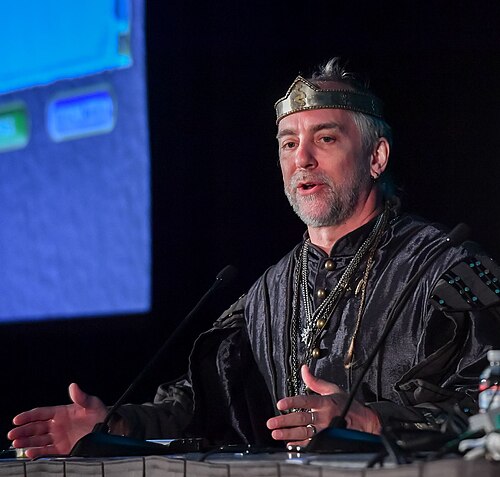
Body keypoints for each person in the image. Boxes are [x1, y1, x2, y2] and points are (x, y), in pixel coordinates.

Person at [8, 58, 500, 457]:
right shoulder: (268, 292)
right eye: (289, 143)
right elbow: (200, 406)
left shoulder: (445, 267)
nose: (302, 158)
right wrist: (115, 425)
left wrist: (370, 422)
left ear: (377, 157)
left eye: (326, 138)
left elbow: (488, 408)